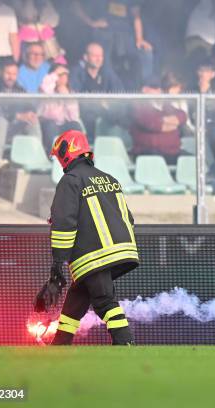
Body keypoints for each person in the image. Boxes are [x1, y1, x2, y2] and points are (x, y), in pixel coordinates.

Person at [34, 129, 139, 346]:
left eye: (59, 157)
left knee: (104, 300)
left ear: (66, 152)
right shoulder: (109, 178)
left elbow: (64, 224)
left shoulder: (70, 181)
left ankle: (126, 344)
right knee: (76, 299)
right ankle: (60, 344)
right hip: (123, 250)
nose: (60, 163)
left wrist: (57, 265)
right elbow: (128, 217)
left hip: (94, 255)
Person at [0, 60, 42, 173]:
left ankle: (36, 156)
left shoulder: (20, 89)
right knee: (1, 120)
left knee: (32, 121)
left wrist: (31, 114)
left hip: (9, 129)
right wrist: (17, 116)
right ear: (1, 72)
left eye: (14, 74)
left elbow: (29, 105)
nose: (11, 77)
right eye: (8, 73)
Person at [130, 76, 187, 164]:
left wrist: (163, 120)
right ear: (145, 89)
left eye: (160, 88)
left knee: (193, 161)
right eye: (155, 88)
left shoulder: (165, 106)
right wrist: (172, 124)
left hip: (173, 153)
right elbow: (153, 124)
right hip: (148, 154)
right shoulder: (138, 106)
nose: (159, 91)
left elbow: (182, 116)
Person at [38, 64, 82, 147]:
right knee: (51, 126)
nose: (62, 78)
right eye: (59, 75)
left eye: (64, 75)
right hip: (48, 124)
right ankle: (53, 155)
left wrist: (66, 97)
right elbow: (50, 114)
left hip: (64, 125)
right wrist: (54, 75)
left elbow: (74, 116)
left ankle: (76, 156)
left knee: (75, 125)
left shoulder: (70, 93)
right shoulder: (46, 90)